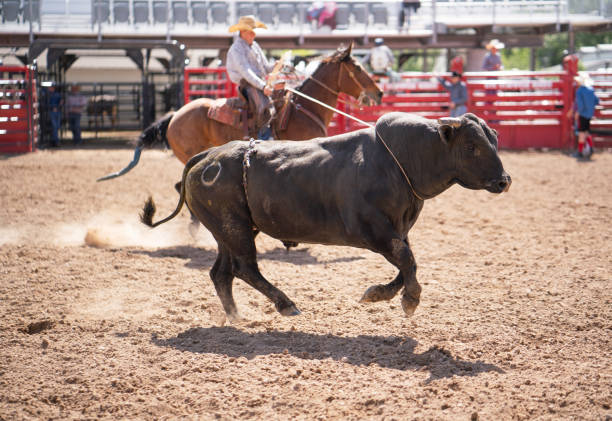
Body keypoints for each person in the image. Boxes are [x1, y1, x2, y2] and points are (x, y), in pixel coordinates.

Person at [226, 15, 276, 140]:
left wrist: (276, 65)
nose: (254, 35)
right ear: (242, 32)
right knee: (264, 106)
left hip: (258, 82)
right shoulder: (236, 49)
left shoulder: (255, 46)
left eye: (254, 32)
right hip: (246, 84)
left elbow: (265, 67)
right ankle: (263, 138)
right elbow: (246, 72)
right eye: (251, 32)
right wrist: (263, 86)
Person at [572, 72, 599, 159]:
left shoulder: (579, 91)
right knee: (587, 131)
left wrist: (577, 113)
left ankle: (580, 152)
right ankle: (590, 148)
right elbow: (596, 101)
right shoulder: (591, 89)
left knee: (581, 133)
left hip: (582, 114)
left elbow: (580, 105)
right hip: (589, 114)